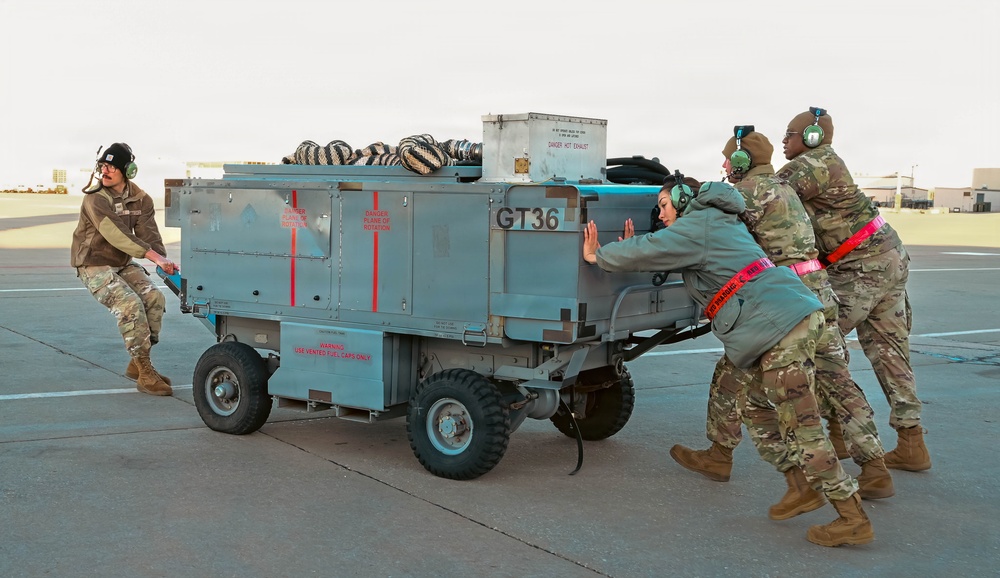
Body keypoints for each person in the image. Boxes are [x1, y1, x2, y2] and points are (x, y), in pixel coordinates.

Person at [583, 177, 873, 547]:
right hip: (782, 319)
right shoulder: (716, 221)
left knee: (802, 425)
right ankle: (799, 485)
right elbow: (670, 255)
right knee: (753, 406)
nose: (660, 213)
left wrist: (599, 255)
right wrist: (637, 251)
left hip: (779, 327)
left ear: (685, 200)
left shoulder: (698, 224)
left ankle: (851, 516)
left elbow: (656, 247)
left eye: (664, 205)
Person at [668, 128, 894, 501]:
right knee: (838, 380)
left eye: (728, 158)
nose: (724, 165)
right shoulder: (785, 187)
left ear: (742, 162)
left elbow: (708, 236)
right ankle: (874, 467)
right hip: (818, 290)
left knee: (731, 376)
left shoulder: (742, 195)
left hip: (783, 299)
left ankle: (720, 454)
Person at [778, 108, 931, 472]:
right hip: (885, 257)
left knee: (820, 343)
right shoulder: (825, 161)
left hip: (862, 266)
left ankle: (842, 436)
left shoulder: (810, 164)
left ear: (811, 137)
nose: (784, 140)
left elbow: (760, 197)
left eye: (789, 133)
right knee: (890, 352)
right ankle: (912, 442)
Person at [70, 142, 178, 396]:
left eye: (111, 167)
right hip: (93, 263)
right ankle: (145, 371)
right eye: (102, 166)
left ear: (128, 171)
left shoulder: (141, 199)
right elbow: (116, 234)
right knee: (130, 305)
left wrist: (163, 261)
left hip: (122, 263)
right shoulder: (95, 198)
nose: (104, 171)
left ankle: (138, 362)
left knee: (154, 298)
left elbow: (149, 235)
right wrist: (151, 256)